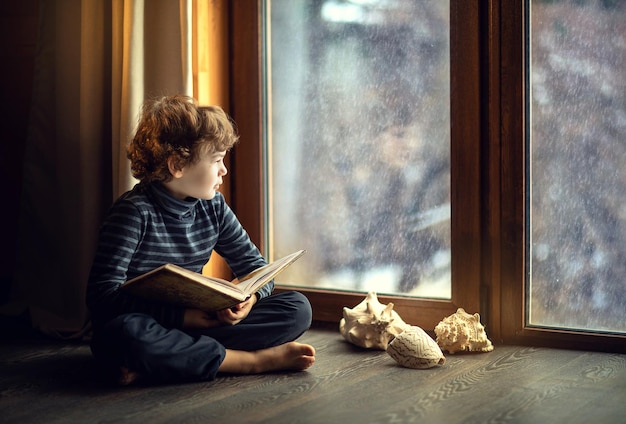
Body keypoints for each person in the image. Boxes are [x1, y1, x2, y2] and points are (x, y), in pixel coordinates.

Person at [86, 94, 315, 385]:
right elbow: (102, 298)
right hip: (150, 324)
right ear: (177, 165)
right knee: (126, 334)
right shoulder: (133, 213)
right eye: (217, 160)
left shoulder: (213, 207)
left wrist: (249, 298)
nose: (224, 170)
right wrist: (183, 318)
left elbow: (256, 269)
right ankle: (249, 361)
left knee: (297, 308)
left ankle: (165, 363)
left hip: (199, 326)